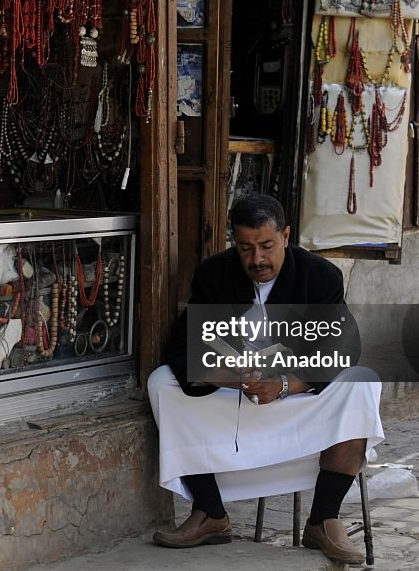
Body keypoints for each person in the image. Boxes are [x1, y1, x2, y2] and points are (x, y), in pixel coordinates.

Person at [148, 193, 383, 565]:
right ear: (234, 242)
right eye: (245, 248)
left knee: (363, 381)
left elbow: (343, 349)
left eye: (266, 246)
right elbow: (182, 347)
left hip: (296, 402)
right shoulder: (214, 274)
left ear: (286, 236)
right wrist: (226, 376)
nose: (257, 259)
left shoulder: (320, 277)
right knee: (162, 382)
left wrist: (287, 384)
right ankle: (210, 513)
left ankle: (323, 519)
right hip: (233, 402)